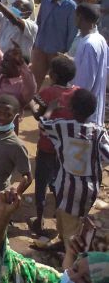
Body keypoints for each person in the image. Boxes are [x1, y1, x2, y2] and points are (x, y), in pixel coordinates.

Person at [0, 186, 109, 283]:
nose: (73, 278)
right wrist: (3, 214)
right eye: (75, 269)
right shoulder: (49, 279)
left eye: (85, 280)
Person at [40, 88, 109, 250]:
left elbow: (43, 125)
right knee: (73, 216)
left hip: (66, 185)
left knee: (67, 218)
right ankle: (63, 241)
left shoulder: (62, 126)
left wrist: (50, 109)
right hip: (88, 189)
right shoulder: (98, 132)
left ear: (70, 108)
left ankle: (70, 257)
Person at [29, 54, 78, 235]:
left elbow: (39, 115)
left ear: (54, 75)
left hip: (47, 147)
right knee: (59, 182)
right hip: (66, 150)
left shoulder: (48, 93)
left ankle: (39, 220)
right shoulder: (77, 93)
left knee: (41, 182)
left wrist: (31, 102)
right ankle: (59, 219)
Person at [32, 0, 78, 86]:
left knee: (56, 82)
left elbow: (72, 31)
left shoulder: (71, 6)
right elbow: (39, 21)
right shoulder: (46, 0)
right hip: (41, 47)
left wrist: (66, 52)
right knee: (35, 80)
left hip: (57, 51)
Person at [71, 3, 109, 123]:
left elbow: (86, 81)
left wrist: (76, 104)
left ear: (80, 17)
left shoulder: (89, 44)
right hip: (93, 103)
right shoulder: (99, 39)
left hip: (85, 109)